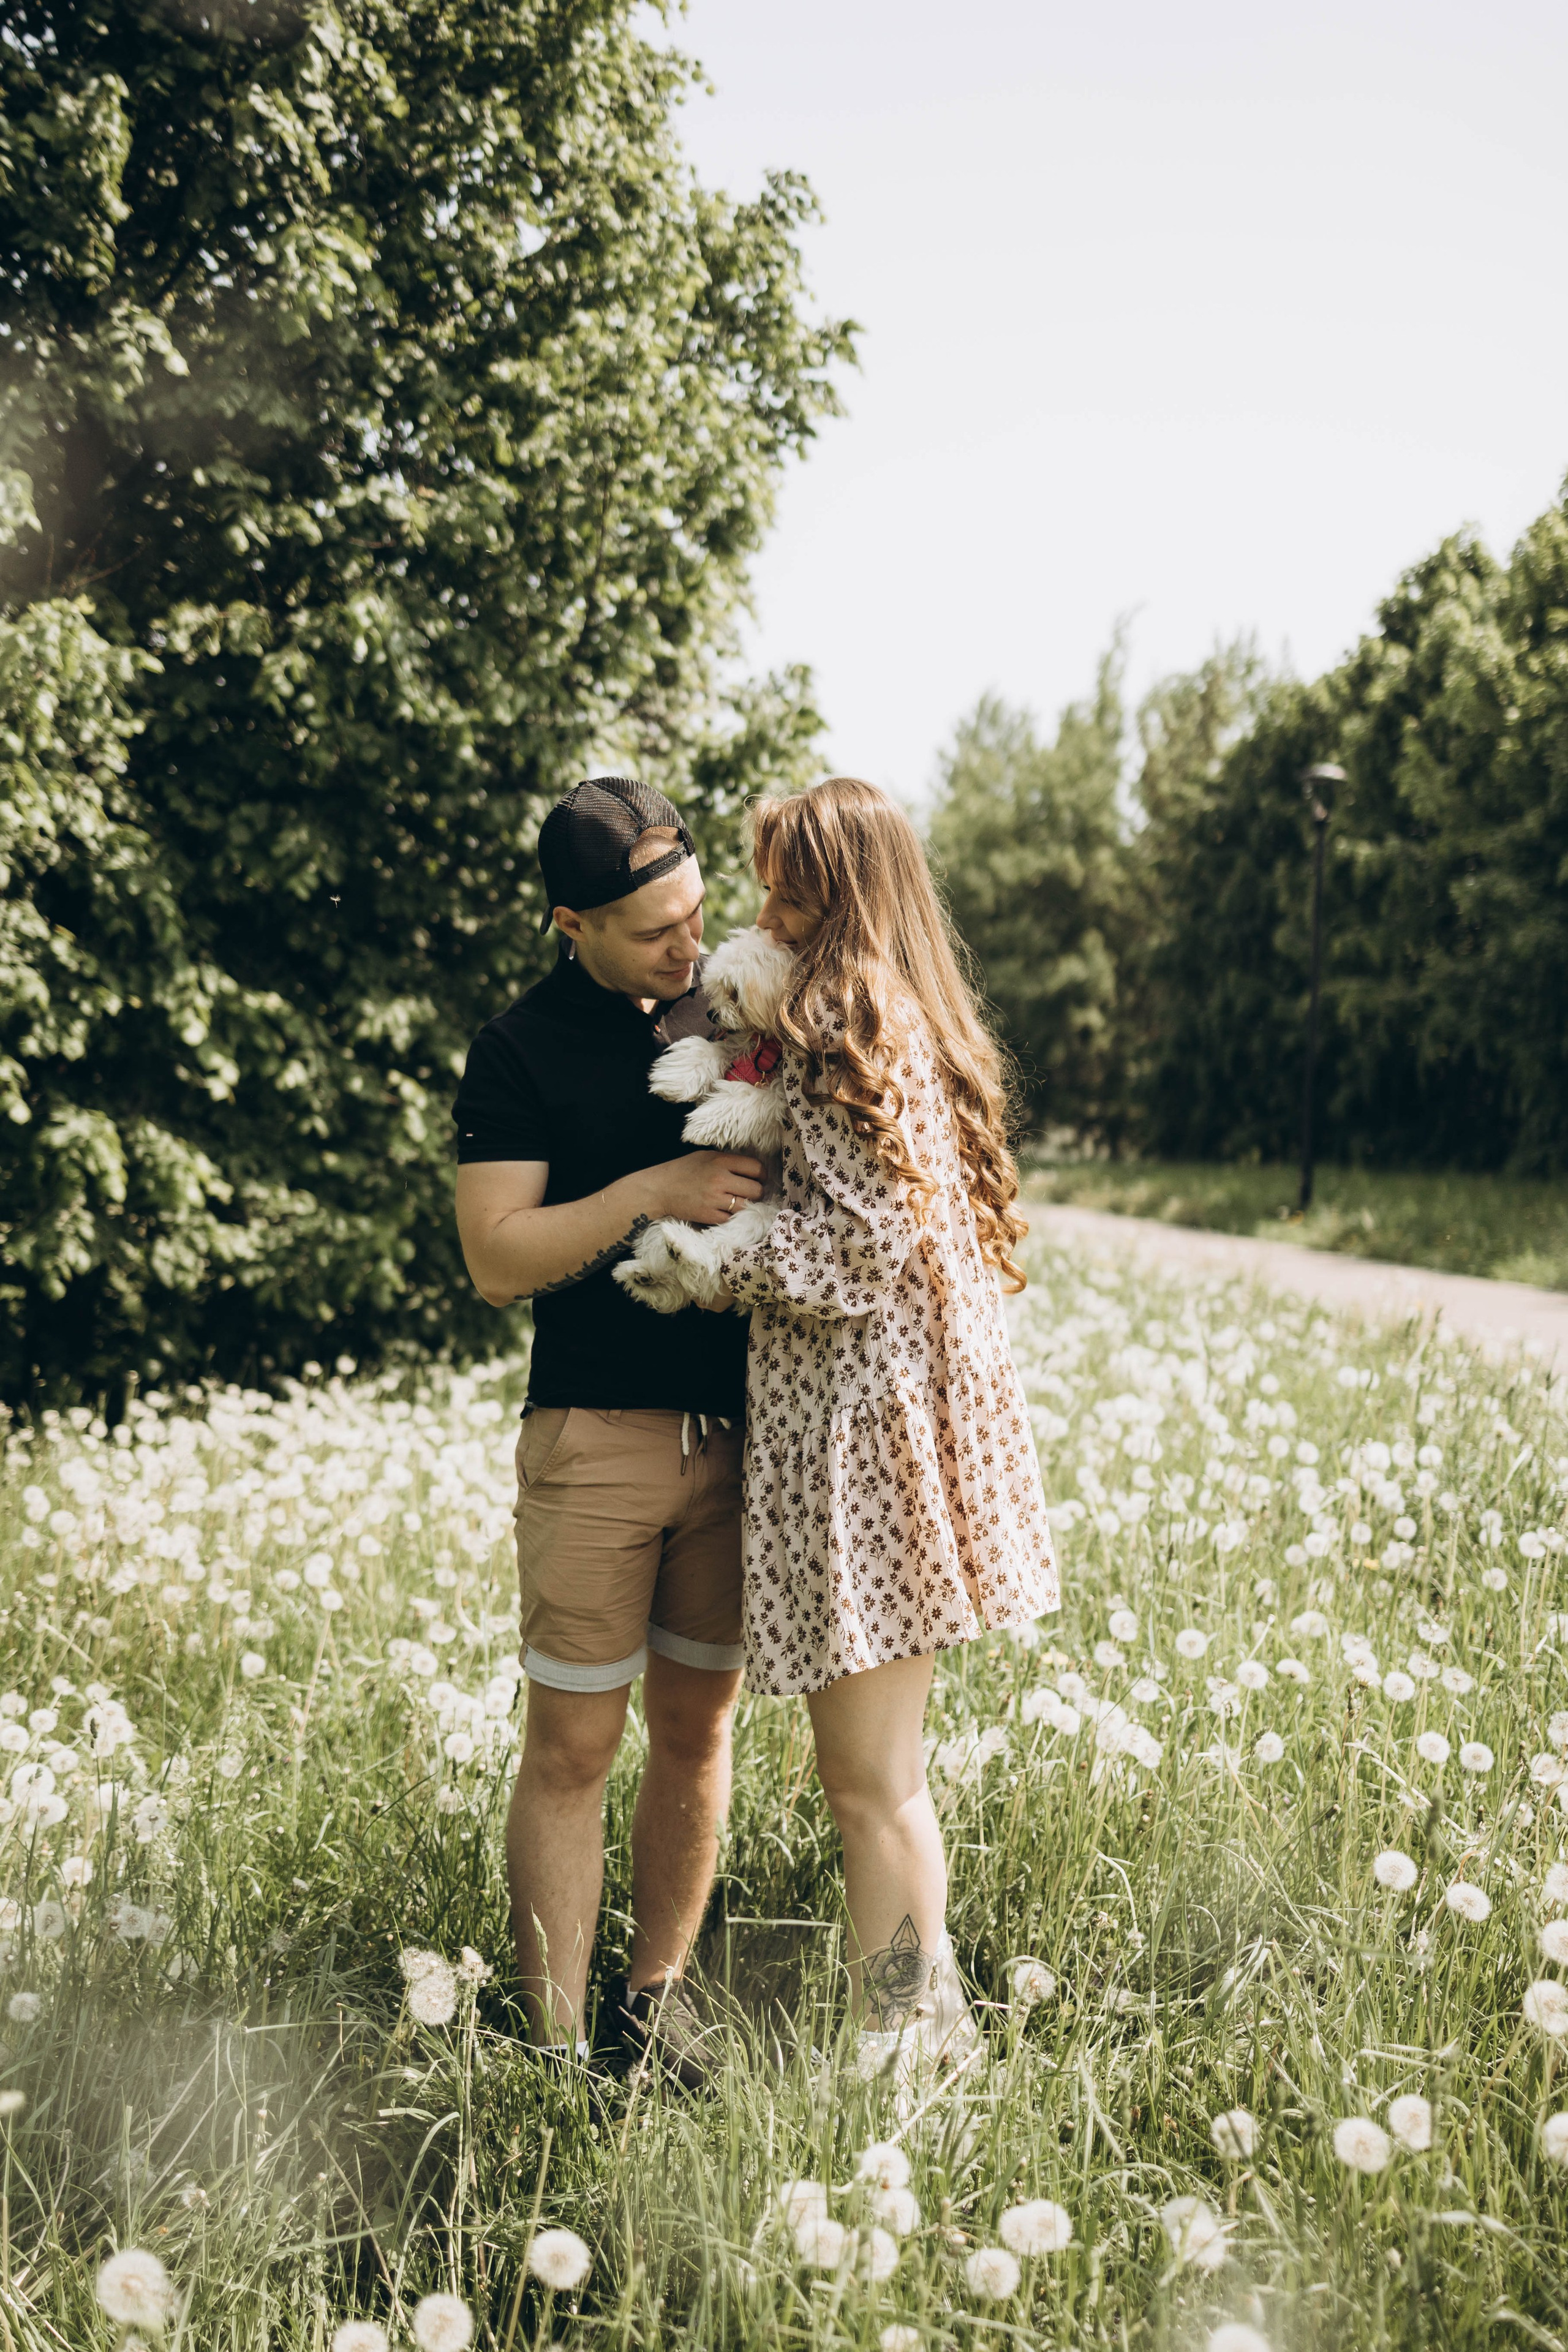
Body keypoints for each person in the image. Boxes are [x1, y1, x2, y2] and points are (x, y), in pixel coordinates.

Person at [696, 777, 1060, 2070]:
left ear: (840, 889)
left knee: (869, 1782)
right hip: (875, 1437)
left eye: (786, 881)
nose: (764, 906)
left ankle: (902, 2040)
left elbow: (861, 1248)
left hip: (864, 1446)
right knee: (879, 1773)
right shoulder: (887, 1005)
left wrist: (711, 1256)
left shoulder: (845, 1011)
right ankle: (922, 2026)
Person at [452, 775, 766, 2086]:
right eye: (653, 932)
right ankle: (557, 2046)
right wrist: (649, 1190)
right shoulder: (516, 1049)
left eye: (696, 916)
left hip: (744, 1440)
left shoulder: (742, 1009)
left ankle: (652, 2008)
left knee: (699, 1735)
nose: (687, 950)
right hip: (594, 1439)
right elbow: (496, 1256)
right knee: (574, 1747)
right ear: (568, 923)